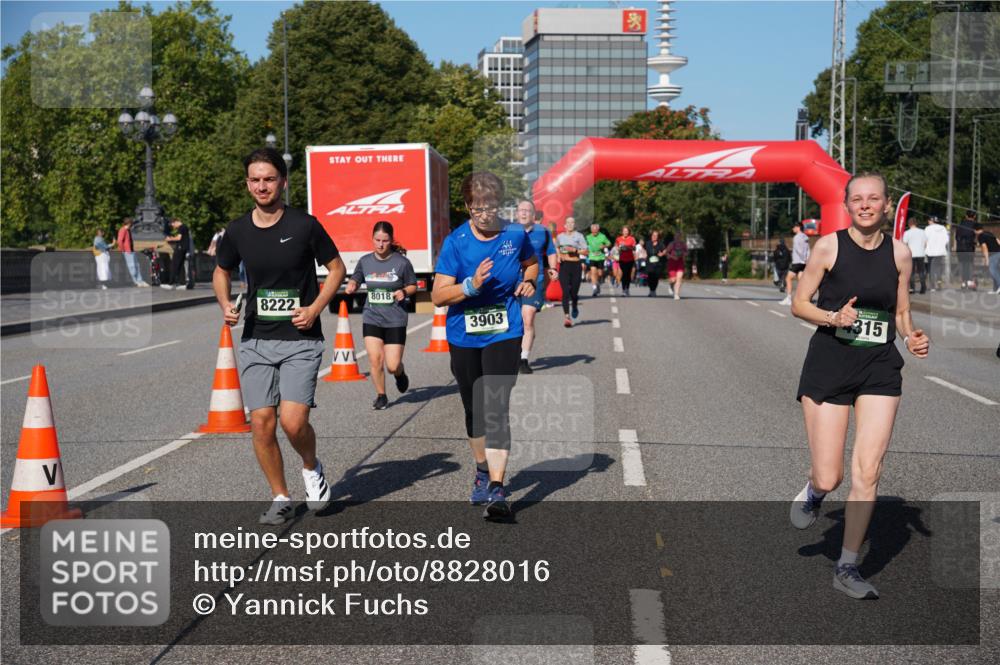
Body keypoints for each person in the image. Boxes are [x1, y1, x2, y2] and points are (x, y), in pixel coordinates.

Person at [789, 172, 929, 600]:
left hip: (880, 367)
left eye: (874, 199)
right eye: (857, 199)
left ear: (887, 205)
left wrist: (911, 336)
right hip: (830, 364)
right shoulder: (828, 247)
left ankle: (847, 567)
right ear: (847, 205)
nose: (865, 205)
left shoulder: (900, 253)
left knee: (868, 471)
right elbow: (799, 303)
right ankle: (815, 491)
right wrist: (833, 318)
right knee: (831, 475)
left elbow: (901, 311)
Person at [214, 147, 346, 525]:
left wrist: (315, 307)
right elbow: (221, 271)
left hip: (300, 338)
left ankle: (311, 466)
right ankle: (281, 495)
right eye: (255, 179)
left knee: (292, 421)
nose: (262, 186)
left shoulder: (304, 226)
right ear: (247, 184)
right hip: (256, 337)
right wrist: (225, 303)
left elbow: (336, 269)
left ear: (283, 182)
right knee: (260, 422)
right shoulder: (237, 231)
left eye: (269, 179)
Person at [431, 171, 538, 519]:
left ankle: (496, 487)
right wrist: (472, 285)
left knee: (495, 406)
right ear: (467, 207)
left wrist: (529, 282)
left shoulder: (514, 234)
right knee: (474, 410)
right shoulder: (456, 242)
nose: (486, 214)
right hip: (464, 334)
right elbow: (437, 296)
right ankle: (481, 468)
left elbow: (532, 264)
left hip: (504, 331)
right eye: (478, 209)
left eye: (491, 207)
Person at [345, 221, 417, 409]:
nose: (380, 244)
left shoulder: (402, 263)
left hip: (395, 319)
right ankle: (381, 395)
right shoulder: (365, 261)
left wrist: (404, 292)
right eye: (377, 240)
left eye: (385, 240)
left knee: (392, 365)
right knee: (375, 358)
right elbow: (357, 277)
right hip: (372, 316)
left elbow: (412, 285)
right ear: (372, 239)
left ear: (391, 240)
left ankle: (400, 373)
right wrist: (353, 284)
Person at [515, 200, 557, 373]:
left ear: (534, 215)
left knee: (528, 316)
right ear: (516, 214)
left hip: (535, 279)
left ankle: (523, 359)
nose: (524, 213)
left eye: (528, 210)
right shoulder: (508, 232)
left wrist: (553, 268)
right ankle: (513, 352)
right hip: (512, 280)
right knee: (514, 321)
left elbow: (551, 252)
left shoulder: (543, 232)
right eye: (521, 210)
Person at [556, 217, 588, 327]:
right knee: (565, 292)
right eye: (568, 222)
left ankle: (574, 305)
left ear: (574, 225)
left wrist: (575, 250)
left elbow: (586, 251)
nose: (570, 224)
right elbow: (556, 248)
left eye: (572, 222)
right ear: (565, 225)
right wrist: (559, 256)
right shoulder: (560, 237)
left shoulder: (579, 236)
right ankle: (567, 317)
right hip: (564, 266)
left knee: (574, 293)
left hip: (576, 266)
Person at [781, 222, 810, 305]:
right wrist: (807, 259)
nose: (793, 229)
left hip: (797, 261)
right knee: (801, 280)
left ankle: (789, 298)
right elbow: (808, 249)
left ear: (798, 227)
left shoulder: (796, 237)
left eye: (794, 227)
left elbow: (798, 250)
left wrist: (802, 258)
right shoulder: (805, 237)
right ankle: (804, 298)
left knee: (788, 278)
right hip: (804, 262)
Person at [163, 218, 193, 290]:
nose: (173, 227)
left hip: (180, 248)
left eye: (172, 225)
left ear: (175, 222)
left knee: (174, 265)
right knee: (180, 265)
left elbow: (179, 238)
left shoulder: (181, 227)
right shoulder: (185, 227)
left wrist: (170, 239)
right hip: (184, 248)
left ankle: (171, 283)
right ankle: (182, 284)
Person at [117, 217, 148, 287]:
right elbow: (119, 241)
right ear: (129, 223)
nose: (132, 224)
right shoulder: (123, 230)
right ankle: (136, 281)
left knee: (137, 266)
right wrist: (123, 250)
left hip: (131, 250)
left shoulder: (127, 230)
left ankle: (140, 280)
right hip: (127, 251)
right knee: (132, 267)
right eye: (131, 223)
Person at [901, 217, 928, 294]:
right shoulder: (922, 232)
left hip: (911, 254)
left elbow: (904, 244)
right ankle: (923, 288)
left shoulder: (907, 233)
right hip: (921, 253)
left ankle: (912, 288)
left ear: (909, 224)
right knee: (921, 271)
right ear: (916, 223)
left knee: (911, 272)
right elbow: (926, 243)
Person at [585, 223, 611, 297]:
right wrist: (585, 250)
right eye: (593, 231)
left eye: (596, 231)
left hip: (601, 257)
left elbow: (609, 243)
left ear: (598, 230)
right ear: (591, 230)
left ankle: (598, 284)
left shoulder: (602, 236)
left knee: (600, 273)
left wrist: (604, 246)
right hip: (592, 256)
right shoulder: (588, 237)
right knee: (593, 272)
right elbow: (583, 244)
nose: (594, 232)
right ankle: (594, 288)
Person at [924, 216, 949, 291]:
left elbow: (925, 240)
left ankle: (932, 286)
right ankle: (939, 283)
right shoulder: (943, 228)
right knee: (938, 267)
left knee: (931, 268)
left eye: (928, 220)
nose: (928, 222)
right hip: (940, 251)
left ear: (931, 221)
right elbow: (947, 240)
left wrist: (924, 249)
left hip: (930, 252)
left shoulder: (928, 228)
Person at [975, 223, 1000, 293]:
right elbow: (997, 240)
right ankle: (996, 289)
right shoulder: (988, 233)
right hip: (998, 251)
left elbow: (984, 247)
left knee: (992, 270)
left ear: (975, 230)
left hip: (994, 254)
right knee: (996, 270)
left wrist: (986, 259)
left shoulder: (980, 236)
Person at [955, 212, 978, 290]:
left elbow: (956, 236)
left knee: (962, 265)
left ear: (966, 216)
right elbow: (976, 236)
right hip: (969, 248)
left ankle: (963, 283)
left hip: (960, 248)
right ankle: (969, 282)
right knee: (969, 265)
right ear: (974, 216)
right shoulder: (975, 225)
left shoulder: (960, 224)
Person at [665, 231, 688, 300]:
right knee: (673, 280)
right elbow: (666, 252)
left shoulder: (683, 244)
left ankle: (676, 294)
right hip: (672, 263)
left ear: (681, 237)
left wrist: (684, 254)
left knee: (679, 278)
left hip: (680, 263)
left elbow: (687, 252)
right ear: (674, 237)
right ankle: (671, 285)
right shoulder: (671, 244)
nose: (678, 237)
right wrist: (671, 256)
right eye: (676, 236)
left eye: (679, 236)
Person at [615, 226, 637, 296]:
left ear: (629, 232)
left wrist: (627, 247)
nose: (625, 232)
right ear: (622, 232)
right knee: (624, 274)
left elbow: (634, 248)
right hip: (622, 259)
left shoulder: (632, 239)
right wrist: (619, 249)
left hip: (630, 259)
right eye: (624, 231)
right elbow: (617, 248)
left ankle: (627, 288)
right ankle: (623, 290)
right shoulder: (618, 239)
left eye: (626, 231)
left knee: (628, 274)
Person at [644, 230, 667, 296]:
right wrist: (644, 255)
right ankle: (651, 290)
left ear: (658, 237)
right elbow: (644, 250)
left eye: (656, 235)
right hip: (649, 263)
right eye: (653, 235)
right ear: (651, 236)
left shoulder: (660, 243)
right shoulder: (648, 243)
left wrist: (662, 254)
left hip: (658, 263)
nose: (654, 237)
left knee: (656, 277)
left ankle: (653, 291)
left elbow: (665, 250)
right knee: (650, 277)